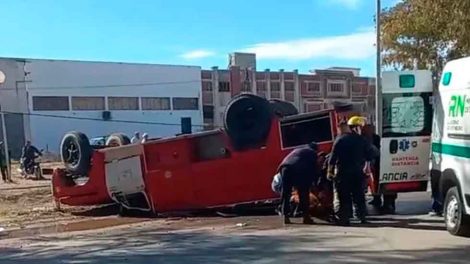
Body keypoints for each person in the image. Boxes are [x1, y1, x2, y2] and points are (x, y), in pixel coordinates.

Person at [328, 116, 379, 226]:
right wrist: (366, 161)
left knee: (344, 197)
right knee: (359, 196)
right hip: (357, 173)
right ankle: (362, 217)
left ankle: (345, 219)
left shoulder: (339, 139)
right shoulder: (361, 140)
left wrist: (330, 172)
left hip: (343, 173)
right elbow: (373, 153)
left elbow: (332, 158)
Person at [278, 142, 320, 225]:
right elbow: (314, 169)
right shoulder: (312, 152)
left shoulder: (297, 150)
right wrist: (314, 183)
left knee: (286, 192)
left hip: (284, 167)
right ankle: (306, 217)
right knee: (303, 193)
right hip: (297, 169)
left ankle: (285, 216)